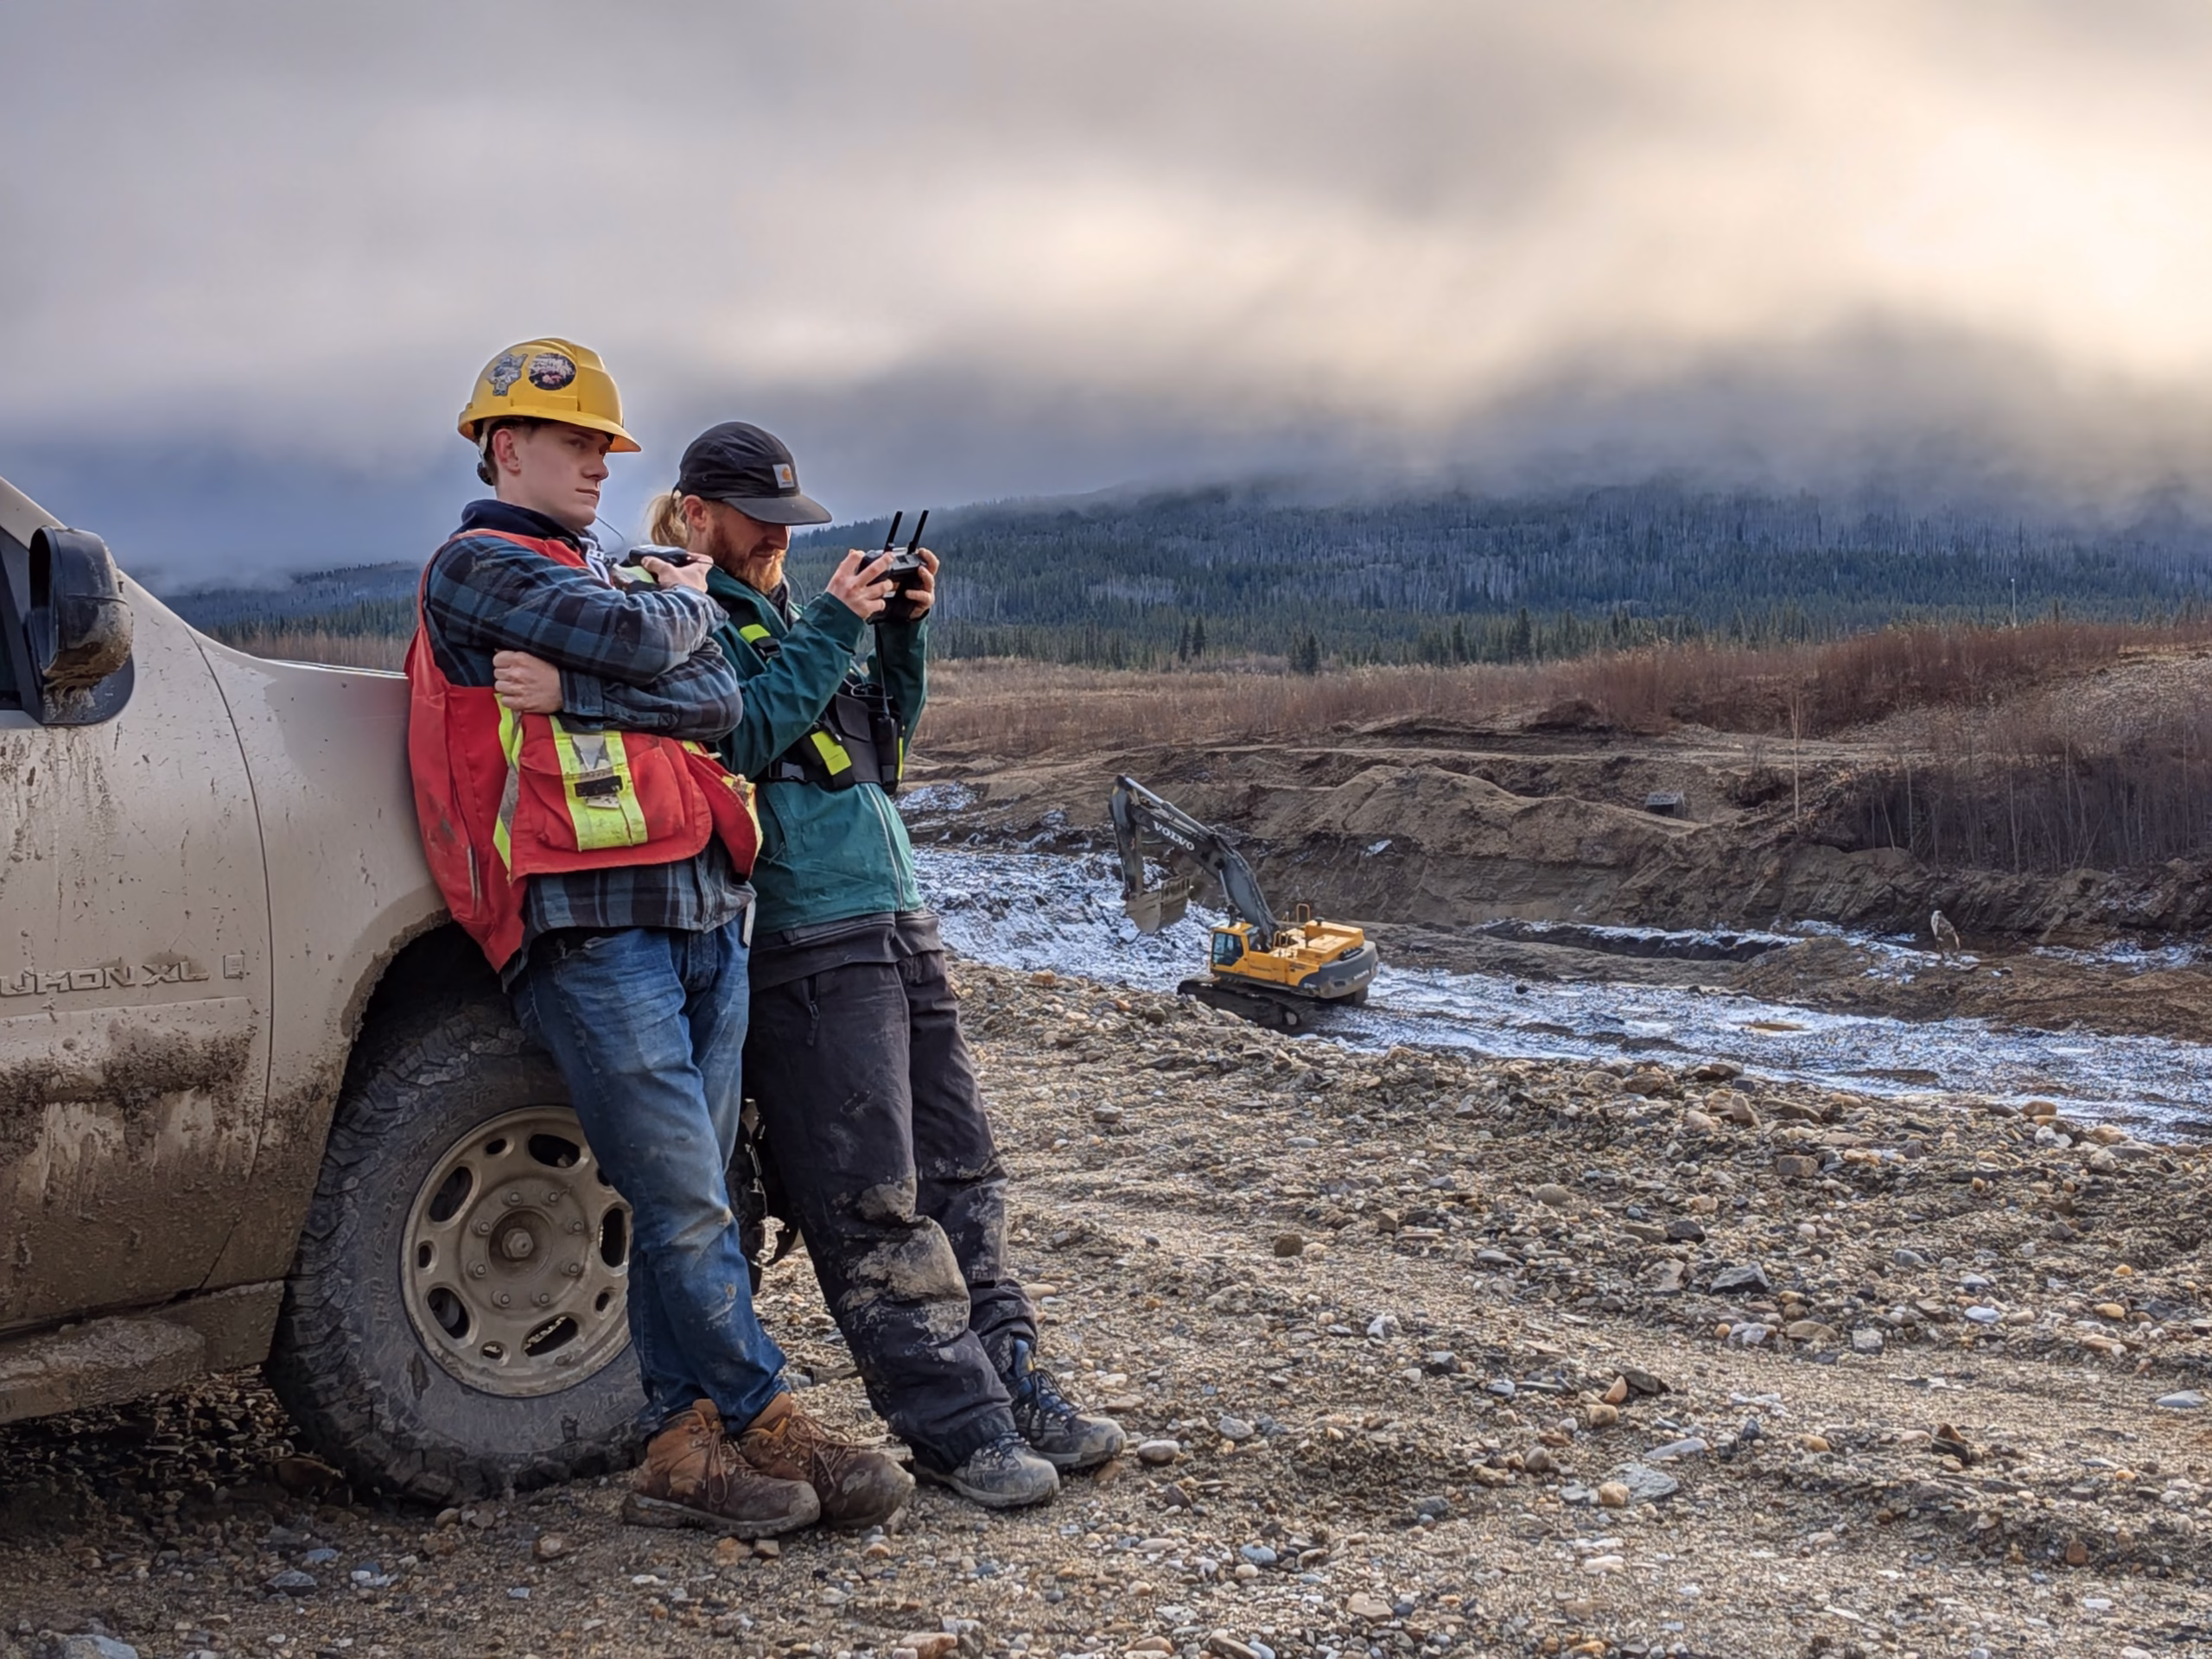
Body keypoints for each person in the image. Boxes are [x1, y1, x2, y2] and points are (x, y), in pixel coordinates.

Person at [405, 341, 911, 1535]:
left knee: (695, 1193)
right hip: (586, 924)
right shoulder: (476, 568)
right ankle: (769, 1415)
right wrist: (673, 611)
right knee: (682, 1198)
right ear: (502, 447)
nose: (594, 463)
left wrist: (583, 683)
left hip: (700, 908)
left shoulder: (612, 574)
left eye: (603, 446)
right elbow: (656, 655)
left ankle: (680, 1453)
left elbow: (720, 707)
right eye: (573, 443)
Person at [638, 421, 1126, 1509]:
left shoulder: (782, 612)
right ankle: (957, 1429)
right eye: (760, 525)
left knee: (962, 1172)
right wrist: (830, 622)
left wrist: (898, 638)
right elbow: (749, 738)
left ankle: (1013, 1384)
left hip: (892, 913)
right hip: (801, 931)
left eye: (788, 526)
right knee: (871, 1196)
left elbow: (881, 751)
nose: (777, 542)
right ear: (698, 513)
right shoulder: (678, 616)